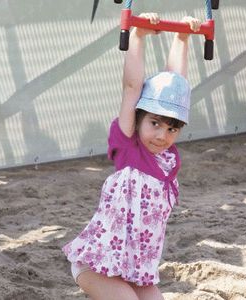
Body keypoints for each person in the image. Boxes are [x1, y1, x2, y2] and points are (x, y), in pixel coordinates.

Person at [62, 13, 200, 300]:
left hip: (135, 270)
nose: (162, 135)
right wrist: (137, 36)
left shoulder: (168, 159)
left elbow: (175, 84)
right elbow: (131, 88)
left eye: (172, 128)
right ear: (138, 118)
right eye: (154, 124)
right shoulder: (129, 147)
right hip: (96, 265)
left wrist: (182, 38)